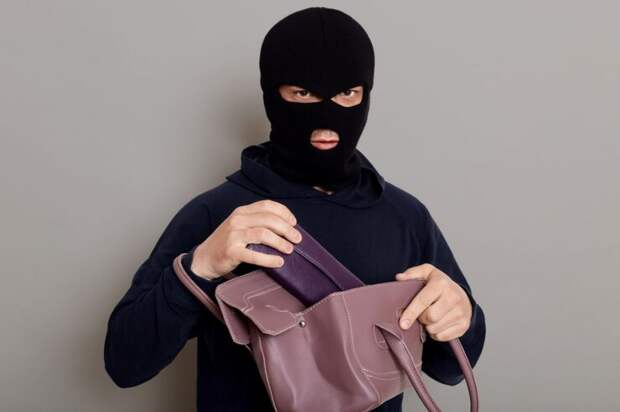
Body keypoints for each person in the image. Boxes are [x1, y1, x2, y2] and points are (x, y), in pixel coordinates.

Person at [104, 6, 486, 412]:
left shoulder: (405, 217)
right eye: (303, 94)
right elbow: (124, 363)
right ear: (272, 94)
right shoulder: (219, 214)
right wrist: (199, 267)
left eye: (347, 94)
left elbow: (451, 369)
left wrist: (462, 316)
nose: (327, 117)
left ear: (366, 95)